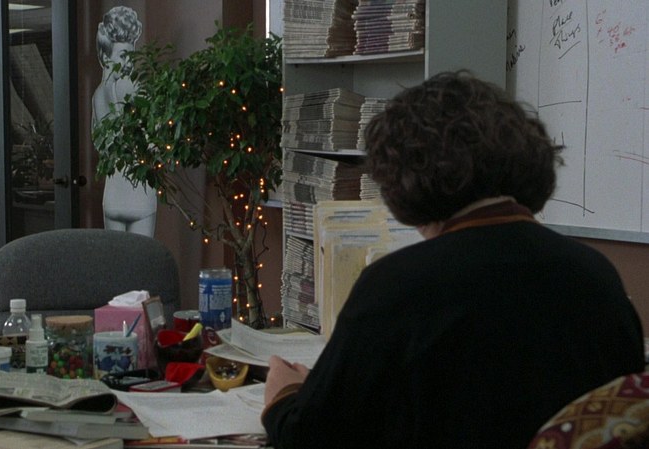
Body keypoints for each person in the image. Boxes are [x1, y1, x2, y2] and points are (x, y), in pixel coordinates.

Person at [261, 71, 645, 449]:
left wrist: (284, 395)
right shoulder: (595, 272)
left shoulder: (396, 285)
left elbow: (311, 436)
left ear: (401, 178)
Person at [91, 6, 157, 237]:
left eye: (131, 56)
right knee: (139, 257)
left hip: (120, 197)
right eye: (122, 56)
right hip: (135, 196)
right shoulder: (127, 90)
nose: (128, 63)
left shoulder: (99, 95)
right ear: (105, 57)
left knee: (120, 258)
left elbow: (104, 146)